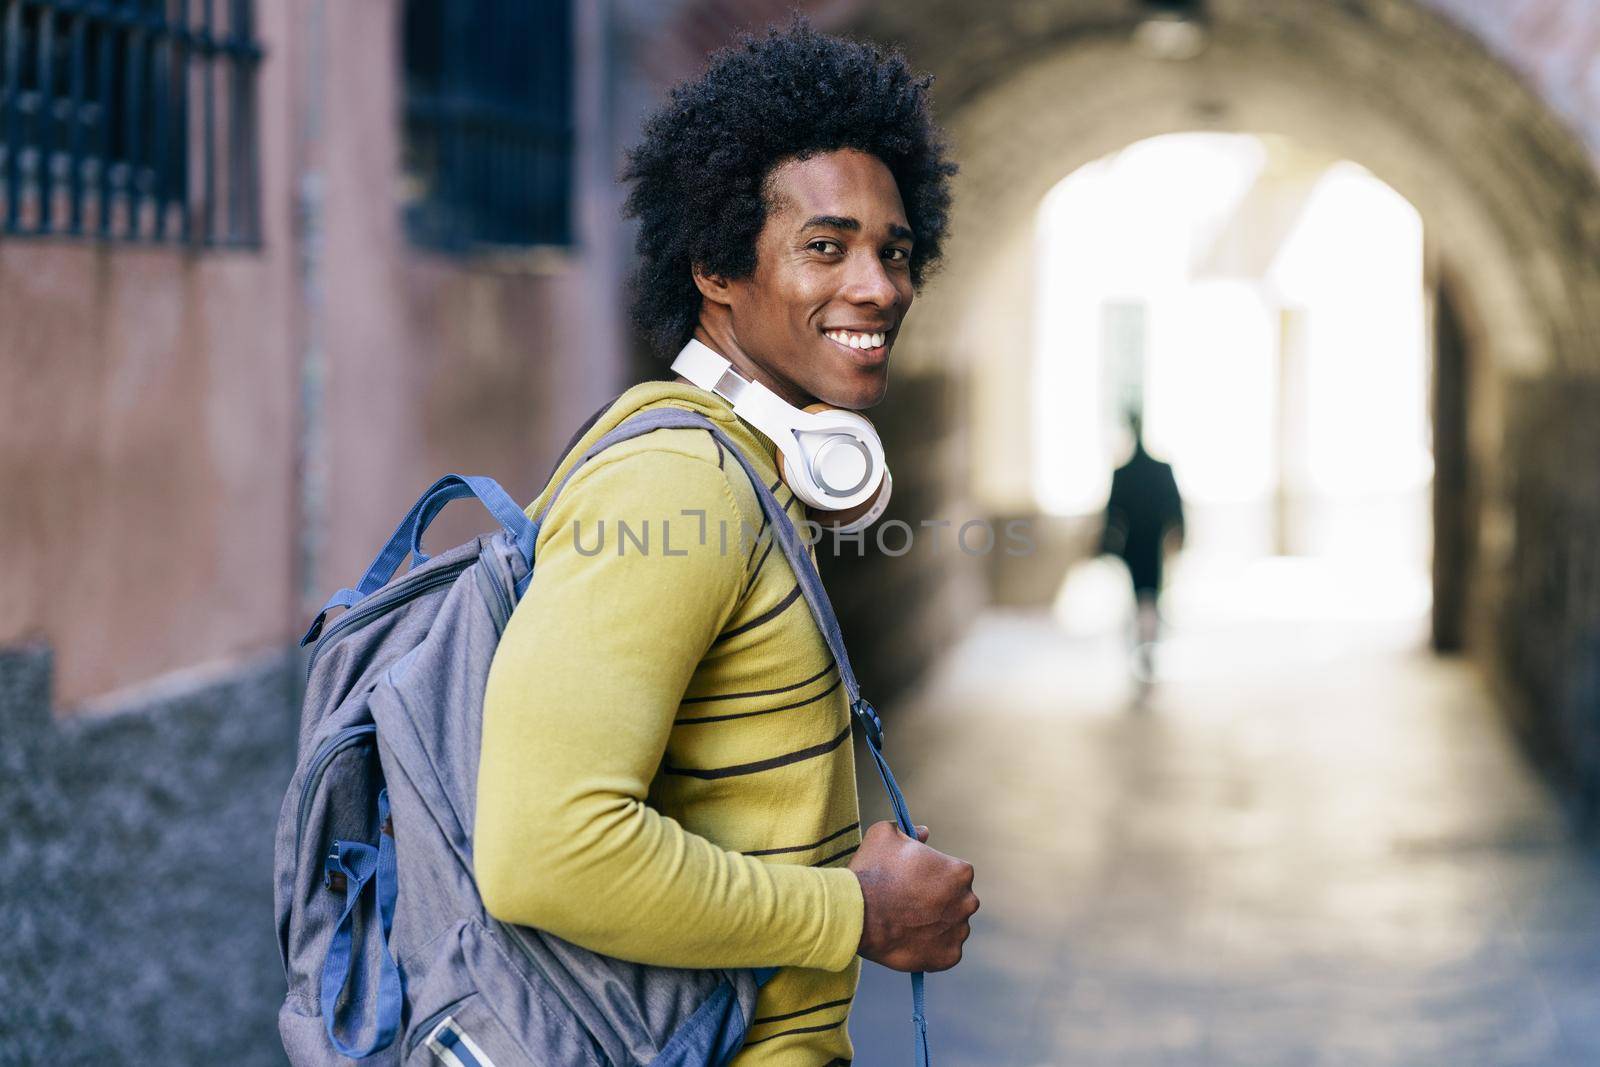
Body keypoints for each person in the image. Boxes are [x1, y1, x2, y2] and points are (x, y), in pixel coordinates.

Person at [473, 20, 978, 1065]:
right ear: (715, 266)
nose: (878, 287)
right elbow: (544, 849)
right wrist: (856, 911)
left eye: (892, 250)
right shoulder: (677, 482)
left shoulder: (747, 471)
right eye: (825, 246)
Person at [1100, 411, 1185, 683]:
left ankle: (1145, 649)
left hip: (1138, 545)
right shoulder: (1157, 471)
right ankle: (1146, 649)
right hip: (1150, 544)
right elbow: (1175, 510)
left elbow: (1112, 515)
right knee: (1149, 598)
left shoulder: (1124, 473)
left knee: (1142, 599)